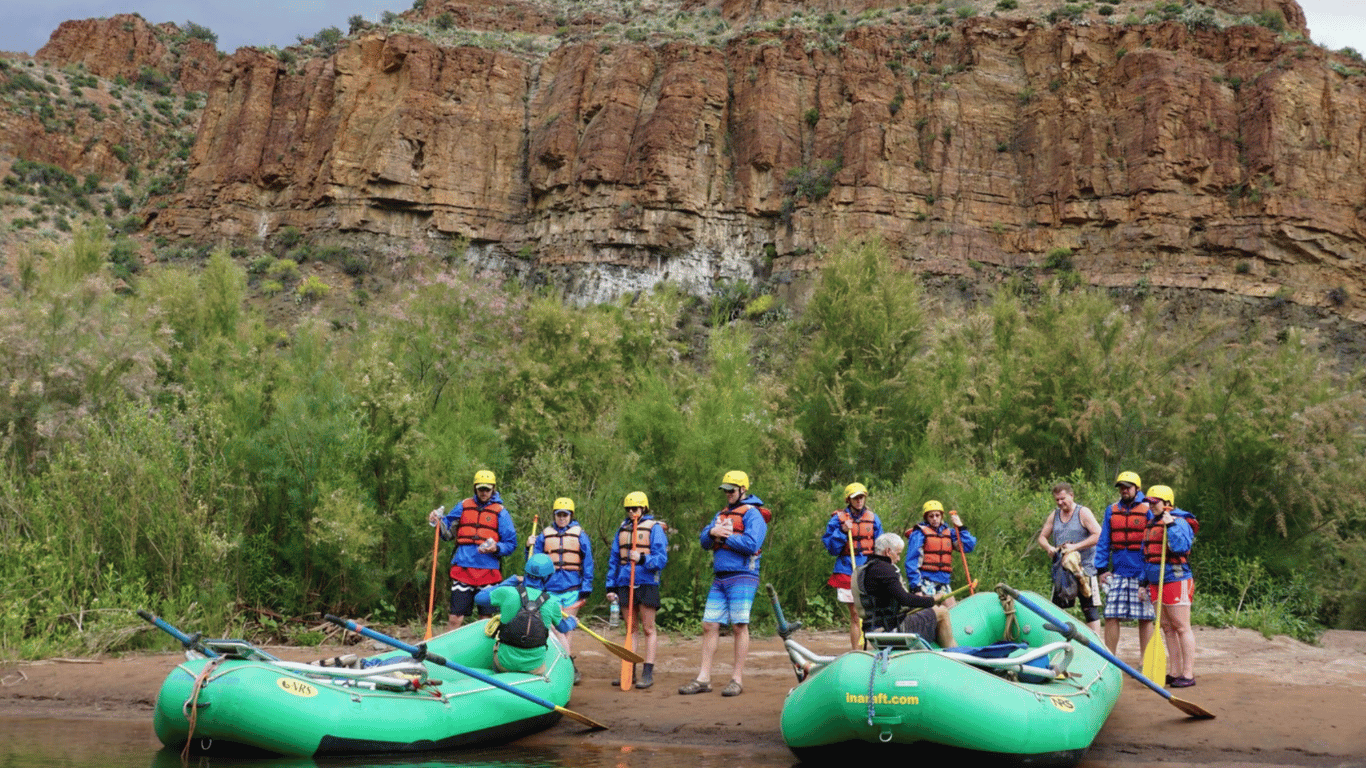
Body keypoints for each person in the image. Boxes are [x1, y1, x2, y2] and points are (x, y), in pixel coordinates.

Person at [679, 470, 768, 698]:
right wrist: (712, 531)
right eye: (725, 490)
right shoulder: (721, 514)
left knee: (739, 625)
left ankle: (736, 679)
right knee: (709, 624)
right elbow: (704, 541)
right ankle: (703, 678)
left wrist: (724, 536)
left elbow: (751, 543)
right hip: (720, 577)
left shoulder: (753, 515)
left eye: (731, 490)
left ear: (742, 490)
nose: (727, 493)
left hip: (743, 575)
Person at [427, 469, 518, 630]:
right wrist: (437, 521)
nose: (484, 493)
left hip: (488, 571)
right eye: (481, 489)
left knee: (485, 618)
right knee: (455, 617)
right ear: (475, 488)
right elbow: (446, 530)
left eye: (487, 489)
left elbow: (511, 543)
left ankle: (483, 651)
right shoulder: (463, 506)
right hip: (463, 566)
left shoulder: (500, 512)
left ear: (493, 489)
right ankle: (452, 650)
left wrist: (496, 547)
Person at [475, 553, 579, 674]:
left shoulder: (507, 592)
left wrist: (508, 582)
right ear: (547, 577)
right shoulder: (552, 603)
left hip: (505, 663)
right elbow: (563, 628)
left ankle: (498, 677)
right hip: (534, 666)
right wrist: (572, 622)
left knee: (497, 651)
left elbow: (479, 598)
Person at [527, 497, 594, 684]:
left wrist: (586, 586)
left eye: (565, 515)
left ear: (571, 515)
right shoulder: (544, 535)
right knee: (556, 627)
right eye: (559, 515)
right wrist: (528, 547)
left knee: (568, 629)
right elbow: (533, 562)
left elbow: (588, 562)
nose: (562, 518)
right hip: (551, 588)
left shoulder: (579, 534)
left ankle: (567, 664)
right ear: (554, 516)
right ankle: (565, 663)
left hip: (572, 588)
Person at [605, 491, 668, 689]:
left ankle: (647, 671)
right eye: (629, 509)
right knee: (630, 629)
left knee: (648, 628)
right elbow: (615, 559)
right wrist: (611, 586)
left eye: (636, 508)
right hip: (625, 582)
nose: (632, 512)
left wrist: (641, 558)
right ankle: (628, 670)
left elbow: (661, 559)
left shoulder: (654, 529)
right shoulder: (621, 530)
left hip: (646, 582)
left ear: (643, 509)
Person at [1093, 470, 1156, 656]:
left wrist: (1149, 573)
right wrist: (1101, 569)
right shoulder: (1112, 510)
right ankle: (1111, 659)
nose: (1124, 491)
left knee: (1145, 618)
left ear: (1137, 488)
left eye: (1127, 487)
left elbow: (1153, 541)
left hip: (1142, 571)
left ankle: (1146, 659)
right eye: (1121, 487)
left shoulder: (1149, 510)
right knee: (1111, 614)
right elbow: (1104, 540)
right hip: (1119, 571)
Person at [1142, 485, 1199, 688]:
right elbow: (1145, 555)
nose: (1150, 505)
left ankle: (1188, 673)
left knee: (1181, 626)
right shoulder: (1151, 523)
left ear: (1167, 503)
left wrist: (1171, 526)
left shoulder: (1179, 522)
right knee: (1167, 627)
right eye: (1149, 502)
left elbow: (1182, 546)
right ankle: (1174, 672)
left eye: (1154, 502)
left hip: (1176, 579)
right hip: (1155, 581)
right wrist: (1143, 583)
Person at [857, 533, 957, 647]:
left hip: (873, 628)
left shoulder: (867, 567)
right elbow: (905, 599)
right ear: (888, 552)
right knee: (942, 611)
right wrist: (932, 600)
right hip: (890, 629)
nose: (898, 559)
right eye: (898, 554)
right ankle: (953, 653)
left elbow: (896, 601)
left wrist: (922, 604)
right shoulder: (885, 569)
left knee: (925, 611)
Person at [822, 482, 884, 650]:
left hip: (867, 571)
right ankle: (856, 650)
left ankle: (876, 649)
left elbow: (880, 545)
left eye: (861, 497)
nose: (859, 501)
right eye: (855, 498)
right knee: (856, 614)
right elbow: (832, 548)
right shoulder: (837, 520)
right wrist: (842, 531)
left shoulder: (873, 518)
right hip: (847, 570)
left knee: (872, 614)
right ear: (848, 499)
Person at [1037, 481, 1103, 635]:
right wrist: (1049, 547)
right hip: (1063, 570)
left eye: (1063, 499)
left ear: (1071, 496)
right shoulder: (1055, 515)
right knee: (1056, 609)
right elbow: (1042, 537)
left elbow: (1099, 535)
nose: (1060, 503)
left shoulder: (1083, 512)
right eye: (1057, 500)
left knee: (1090, 609)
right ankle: (1057, 643)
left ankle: (1096, 646)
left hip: (1085, 569)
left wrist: (1076, 547)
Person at [904, 500, 976, 608]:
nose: (934, 518)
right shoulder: (919, 533)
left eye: (937, 515)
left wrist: (961, 527)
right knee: (931, 615)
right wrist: (916, 587)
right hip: (925, 581)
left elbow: (968, 546)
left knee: (952, 611)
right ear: (926, 518)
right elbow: (911, 562)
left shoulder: (950, 533)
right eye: (931, 516)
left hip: (943, 581)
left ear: (941, 516)